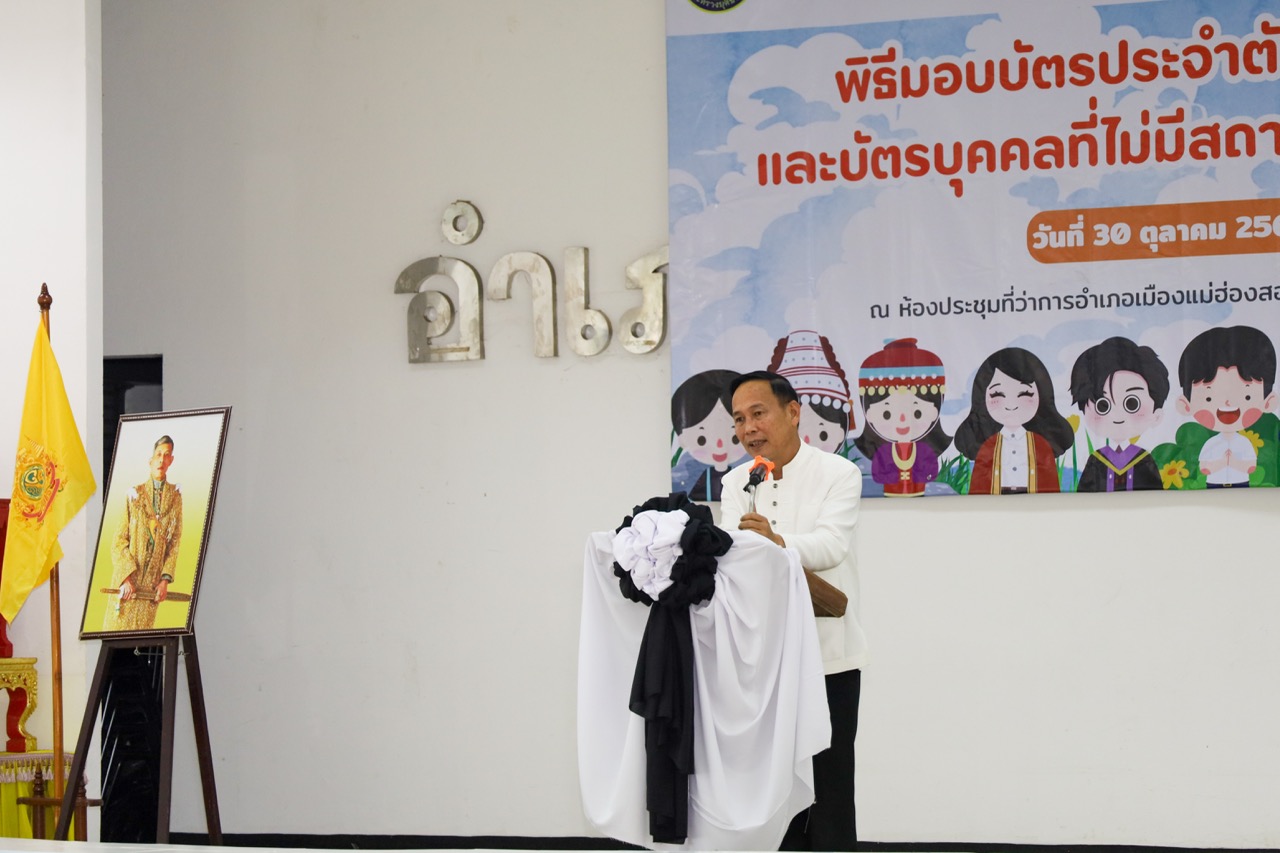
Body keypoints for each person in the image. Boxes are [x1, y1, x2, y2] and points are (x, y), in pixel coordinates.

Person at [719, 370, 864, 850]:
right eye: (739, 419)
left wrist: (775, 541)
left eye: (758, 413)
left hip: (828, 658)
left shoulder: (838, 473)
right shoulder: (736, 482)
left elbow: (831, 546)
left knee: (829, 786)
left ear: (793, 412)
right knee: (773, 789)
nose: (748, 428)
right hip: (763, 664)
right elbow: (730, 556)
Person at [954, 347, 1074, 495]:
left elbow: (1050, 485)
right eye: (997, 394)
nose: (1011, 405)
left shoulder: (1041, 445)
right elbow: (978, 487)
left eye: (1025, 393)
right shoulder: (988, 446)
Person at [1175, 325, 1278, 488]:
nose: (1227, 404)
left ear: (1268, 402)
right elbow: (1204, 468)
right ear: (1186, 406)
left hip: (1242, 485)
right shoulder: (1211, 444)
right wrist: (1222, 463)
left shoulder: (1244, 443)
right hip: (1213, 485)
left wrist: (1234, 462)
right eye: (1208, 398)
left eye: (1247, 396)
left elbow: (1251, 467)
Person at [104, 435, 183, 632]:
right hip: (127, 585)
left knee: (143, 642)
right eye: (158, 454)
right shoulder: (134, 495)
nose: (161, 460)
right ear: (150, 460)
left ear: (171, 460)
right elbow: (118, 540)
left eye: (166, 455)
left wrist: (164, 581)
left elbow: (174, 542)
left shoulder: (175, 498)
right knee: (117, 638)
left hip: (151, 588)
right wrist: (126, 578)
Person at [1069, 336, 1169, 492]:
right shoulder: (1096, 460)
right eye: (1103, 405)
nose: (1117, 415)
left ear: (1156, 414)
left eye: (1131, 403)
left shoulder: (1144, 460)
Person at [854, 338, 951, 496]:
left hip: (925, 500)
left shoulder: (924, 450)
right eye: (886, 414)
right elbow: (878, 475)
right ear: (869, 414)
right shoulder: (883, 451)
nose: (903, 420)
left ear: (934, 412)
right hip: (886, 499)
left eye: (917, 413)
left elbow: (931, 473)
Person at [671, 369, 746, 501]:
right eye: (702, 439)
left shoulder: (748, 473)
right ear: (682, 437)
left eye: (734, 438)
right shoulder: (691, 472)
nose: (720, 446)